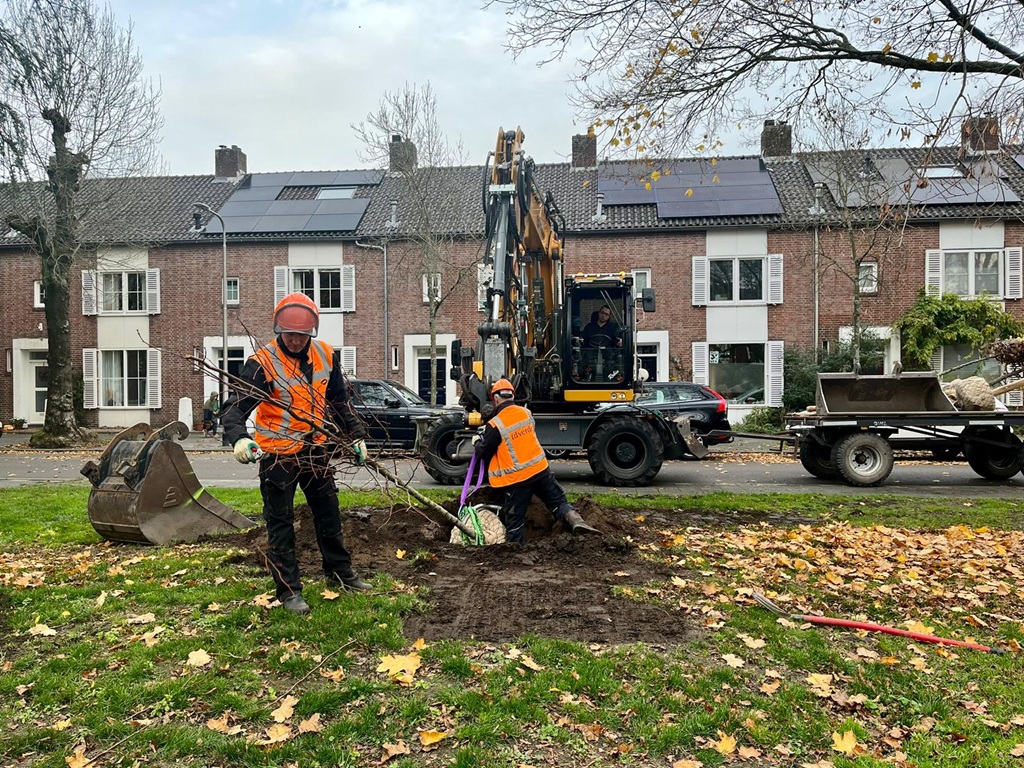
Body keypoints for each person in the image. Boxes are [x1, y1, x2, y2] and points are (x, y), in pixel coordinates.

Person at [221, 292, 371, 615]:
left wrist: (356, 435)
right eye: (289, 334)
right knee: (280, 523)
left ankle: (340, 571)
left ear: (311, 332)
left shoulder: (325, 355)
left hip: (315, 449)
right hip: (277, 455)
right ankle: (289, 591)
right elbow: (234, 408)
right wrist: (239, 439)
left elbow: (339, 401)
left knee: (329, 512)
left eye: (301, 335)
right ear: (279, 329)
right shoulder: (262, 363)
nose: (294, 340)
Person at [473, 378, 599, 544]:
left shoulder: (495, 424)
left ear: (495, 399)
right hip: (540, 471)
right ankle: (576, 520)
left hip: (517, 480)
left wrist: (477, 441)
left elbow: (484, 452)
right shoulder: (526, 413)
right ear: (512, 396)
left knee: (515, 522)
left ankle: (515, 551)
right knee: (558, 502)